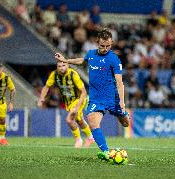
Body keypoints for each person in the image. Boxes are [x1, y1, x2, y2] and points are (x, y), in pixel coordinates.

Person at [55, 28, 130, 161]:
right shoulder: (91, 54)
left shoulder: (114, 59)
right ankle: (106, 152)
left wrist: (122, 103)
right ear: (97, 43)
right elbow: (81, 61)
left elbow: (119, 83)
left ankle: (123, 114)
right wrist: (66, 60)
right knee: (92, 122)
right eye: (102, 46)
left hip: (112, 97)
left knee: (125, 123)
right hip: (96, 98)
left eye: (108, 46)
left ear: (111, 43)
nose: (105, 48)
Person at [37, 61, 94, 148]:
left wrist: (77, 107)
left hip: (79, 99)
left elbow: (84, 92)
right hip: (68, 102)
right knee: (79, 120)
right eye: (59, 66)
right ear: (57, 67)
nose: (62, 67)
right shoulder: (55, 74)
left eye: (63, 65)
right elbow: (46, 86)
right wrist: (41, 99)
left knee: (69, 120)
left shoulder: (73, 74)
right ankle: (90, 137)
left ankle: (78, 140)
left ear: (67, 65)